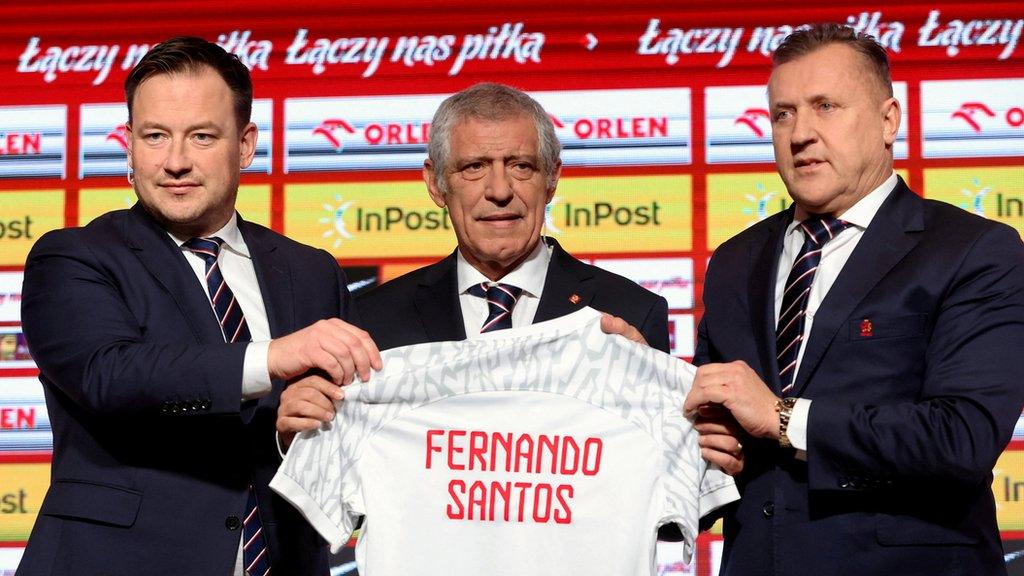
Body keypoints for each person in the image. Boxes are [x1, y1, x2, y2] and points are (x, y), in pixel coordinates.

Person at [18, 37, 379, 576]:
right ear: (130, 145)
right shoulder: (74, 256)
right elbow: (109, 375)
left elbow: (350, 444)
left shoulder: (311, 271)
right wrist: (270, 358)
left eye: (202, 137)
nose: (175, 162)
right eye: (155, 136)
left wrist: (293, 437)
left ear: (246, 144)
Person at [683, 23, 1024, 575]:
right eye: (784, 113)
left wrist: (781, 417)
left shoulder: (973, 251)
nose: (801, 133)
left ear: (889, 120)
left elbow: (961, 439)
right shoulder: (733, 262)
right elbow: (714, 437)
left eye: (827, 106)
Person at [277, 82, 669, 443]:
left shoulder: (630, 314)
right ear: (435, 184)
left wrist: (656, 407)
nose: (500, 191)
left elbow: (665, 480)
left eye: (521, 166)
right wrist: (300, 437)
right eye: (474, 167)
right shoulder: (373, 321)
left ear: (552, 178)